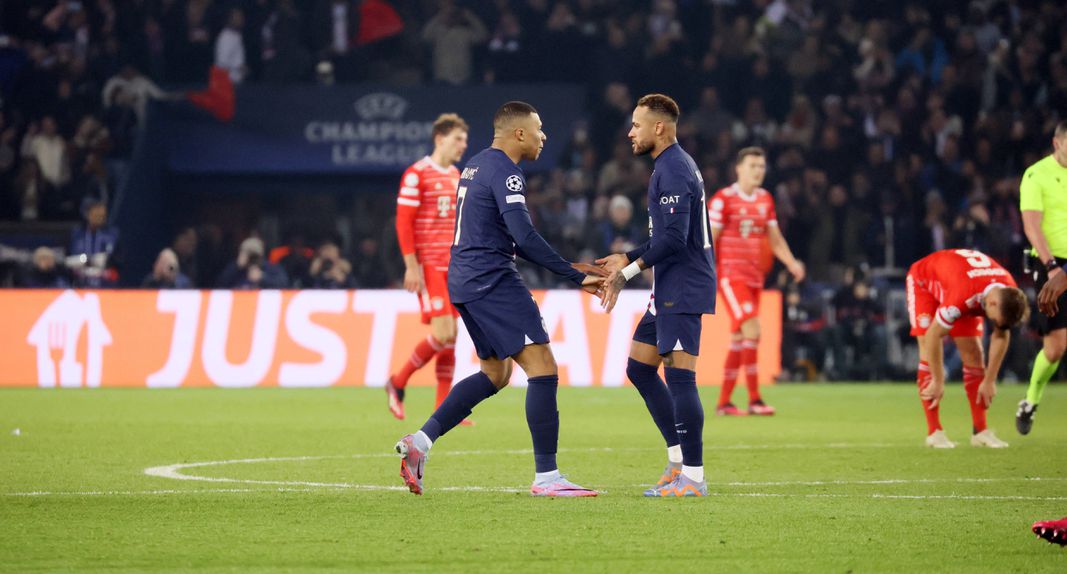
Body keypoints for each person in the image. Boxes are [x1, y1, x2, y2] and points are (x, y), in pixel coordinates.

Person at [394, 101, 605, 497]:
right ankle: (548, 478)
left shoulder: (475, 165)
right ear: (519, 133)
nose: (545, 137)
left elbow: (508, 236)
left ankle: (420, 443)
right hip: (491, 279)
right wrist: (575, 275)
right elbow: (523, 237)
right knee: (542, 366)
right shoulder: (507, 173)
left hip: (463, 280)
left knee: (497, 374)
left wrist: (568, 268)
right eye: (539, 129)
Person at [597, 93, 716, 497]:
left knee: (681, 378)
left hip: (682, 287)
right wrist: (626, 255)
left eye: (637, 124)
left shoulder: (675, 169)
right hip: (667, 285)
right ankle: (677, 461)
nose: (630, 131)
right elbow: (665, 237)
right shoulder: (667, 166)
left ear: (659, 128)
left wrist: (627, 271)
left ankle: (694, 479)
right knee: (640, 368)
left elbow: (676, 240)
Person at [385, 114, 470, 422]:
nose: (463, 145)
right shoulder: (416, 174)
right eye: (458, 139)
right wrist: (411, 266)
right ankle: (397, 381)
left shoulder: (455, 174)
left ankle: (443, 409)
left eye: (464, 140)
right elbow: (403, 222)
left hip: (455, 266)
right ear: (440, 138)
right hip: (430, 265)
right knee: (443, 332)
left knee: (453, 336)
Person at [708, 147, 805, 416]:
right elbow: (709, 241)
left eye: (761, 167)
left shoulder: (765, 200)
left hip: (754, 278)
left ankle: (724, 403)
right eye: (752, 166)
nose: (758, 171)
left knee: (740, 337)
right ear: (738, 169)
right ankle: (754, 399)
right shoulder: (723, 200)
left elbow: (774, 238)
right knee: (752, 329)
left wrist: (791, 262)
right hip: (730, 277)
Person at [906, 249, 1029, 448]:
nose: (995, 323)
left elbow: (1001, 332)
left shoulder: (1008, 291)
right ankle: (934, 432)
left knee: (973, 353)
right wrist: (938, 380)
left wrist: (990, 380)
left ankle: (980, 431)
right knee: (927, 352)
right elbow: (933, 335)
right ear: (993, 303)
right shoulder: (963, 296)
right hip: (925, 283)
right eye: (995, 319)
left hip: (959, 284)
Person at [1017, 120, 1067, 435]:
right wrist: (1052, 267)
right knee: (1056, 348)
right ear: (1057, 143)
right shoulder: (1037, 175)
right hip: (1051, 265)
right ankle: (1030, 401)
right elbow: (1032, 226)